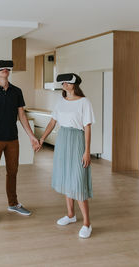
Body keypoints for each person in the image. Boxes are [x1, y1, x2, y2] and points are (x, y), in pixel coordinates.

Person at [0, 60, 40, 224]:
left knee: (12, 172)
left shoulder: (17, 91)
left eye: (7, 68)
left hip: (12, 139)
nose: (5, 70)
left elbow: (22, 116)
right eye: (1, 68)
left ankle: (13, 203)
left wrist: (32, 136)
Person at [39, 73, 95, 238]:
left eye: (66, 82)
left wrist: (87, 151)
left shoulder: (84, 102)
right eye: (62, 82)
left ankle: (87, 223)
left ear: (74, 84)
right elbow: (52, 122)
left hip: (77, 140)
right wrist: (42, 139)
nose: (63, 84)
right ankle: (70, 215)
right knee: (66, 177)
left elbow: (88, 127)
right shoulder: (60, 102)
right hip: (62, 140)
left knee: (77, 179)